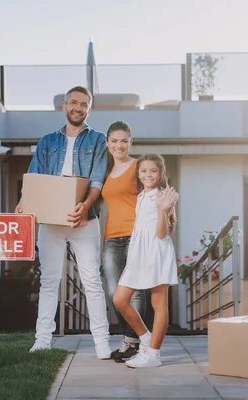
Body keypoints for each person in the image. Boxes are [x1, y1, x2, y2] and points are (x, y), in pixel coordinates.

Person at [15, 86, 112, 359]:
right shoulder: (47, 141)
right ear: (64, 106)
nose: (78, 107)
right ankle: (42, 340)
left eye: (84, 104)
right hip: (50, 220)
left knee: (92, 280)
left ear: (89, 109)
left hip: (85, 219)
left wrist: (85, 206)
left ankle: (101, 342)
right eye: (73, 102)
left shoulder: (97, 140)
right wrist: (25, 203)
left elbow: (97, 180)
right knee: (49, 280)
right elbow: (34, 177)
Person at [113, 153, 179, 368]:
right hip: (138, 253)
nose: (148, 174)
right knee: (120, 299)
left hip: (156, 251)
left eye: (153, 171)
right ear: (138, 173)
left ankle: (153, 354)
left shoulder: (163, 196)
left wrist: (162, 209)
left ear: (160, 173)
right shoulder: (142, 195)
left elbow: (161, 233)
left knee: (158, 303)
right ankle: (145, 339)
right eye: (144, 171)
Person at [100, 121, 147, 363]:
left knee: (135, 291)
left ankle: (132, 342)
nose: (119, 145)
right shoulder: (105, 169)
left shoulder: (140, 166)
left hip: (135, 236)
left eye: (124, 141)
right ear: (107, 143)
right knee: (114, 291)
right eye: (114, 141)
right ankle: (136, 338)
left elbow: (157, 194)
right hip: (111, 237)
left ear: (131, 142)